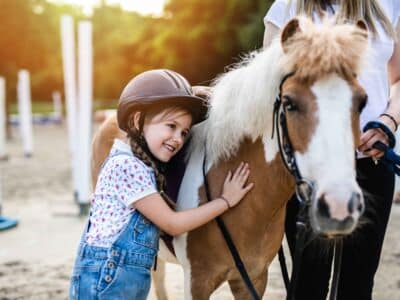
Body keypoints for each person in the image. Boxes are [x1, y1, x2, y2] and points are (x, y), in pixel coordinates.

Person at [68, 69, 254, 300]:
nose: (178, 138)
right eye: (171, 126)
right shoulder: (126, 167)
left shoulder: (141, 167)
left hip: (124, 280)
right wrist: (225, 201)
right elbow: (173, 224)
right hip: (105, 281)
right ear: (137, 120)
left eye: (184, 132)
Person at [263, 1, 400, 299]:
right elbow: (270, 85)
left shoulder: (392, 6)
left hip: (372, 161)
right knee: (306, 285)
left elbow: (399, 79)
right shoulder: (287, 6)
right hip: (308, 171)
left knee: (359, 284)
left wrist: (389, 119)